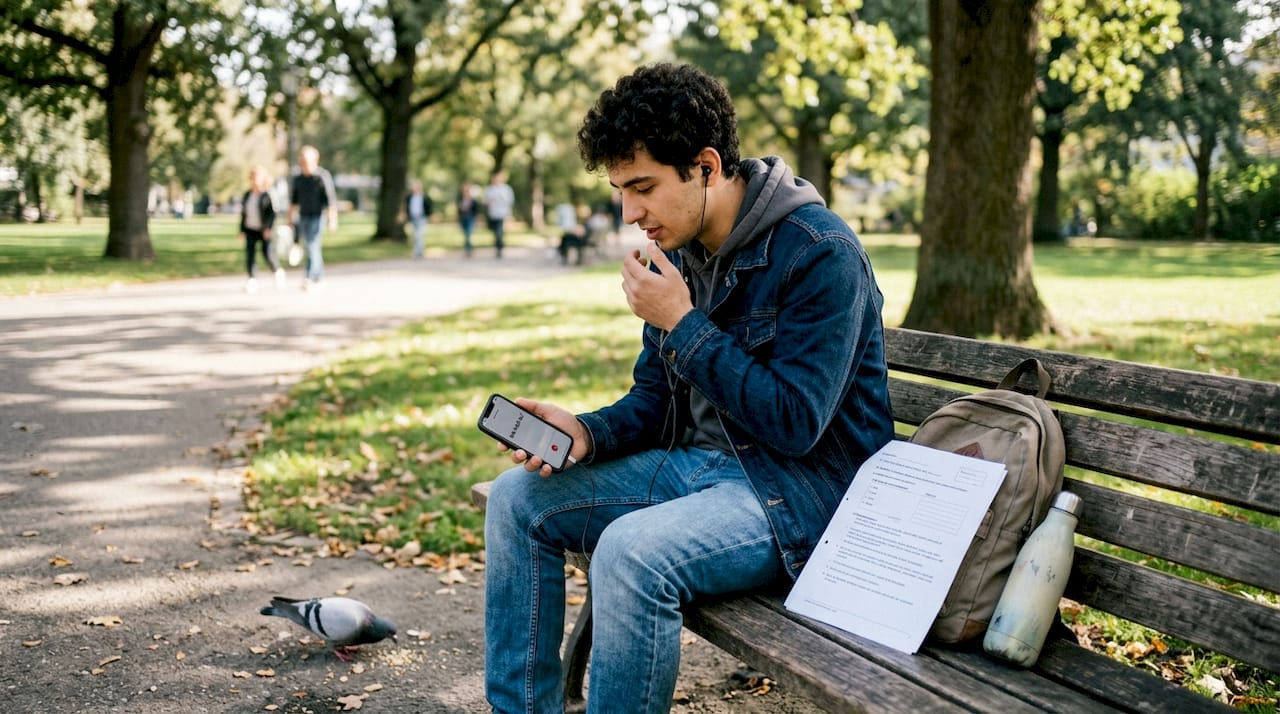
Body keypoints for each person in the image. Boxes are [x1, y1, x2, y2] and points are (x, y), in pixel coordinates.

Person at [482, 62, 895, 714]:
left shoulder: (820, 252)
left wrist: (682, 321)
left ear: (705, 165)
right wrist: (587, 431)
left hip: (796, 495)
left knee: (628, 554)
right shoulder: (678, 251)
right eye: (620, 190)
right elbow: (654, 400)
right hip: (692, 473)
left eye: (642, 187)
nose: (630, 213)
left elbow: (795, 423)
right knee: (515, 498)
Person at [289, 145, 338, 289]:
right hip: (303, 216)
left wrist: (332, 220)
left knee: (312, 245)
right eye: (302, 160)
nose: (303, 163)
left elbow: (330, 201)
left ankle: (309, 277)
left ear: (314, 160)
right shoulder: (298, 179)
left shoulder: (322, 177)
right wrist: (290, 219)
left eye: (306, 160)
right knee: (312, 246)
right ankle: (320, 277)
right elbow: (293, 201)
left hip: (318, 216)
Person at [237, 165, 285, 293]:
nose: (254, 180)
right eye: (253, 177)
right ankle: (252, 279)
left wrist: (268, 228)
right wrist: (241, 230)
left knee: (267, 253)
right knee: (250, 254)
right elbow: (243, 214)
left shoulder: (268, 195)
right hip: (250, 229)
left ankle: (277, 271)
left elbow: (272, 214)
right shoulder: (247, 195)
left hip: (264, 230)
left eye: (257, 177)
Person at [483, 169, 515, 259]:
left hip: (502, 213)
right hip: (493, 214)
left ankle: (499, 248)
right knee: (495, 231)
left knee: (499, 231)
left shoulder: (506, 189)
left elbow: (510, 201)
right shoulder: (490, 189)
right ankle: (498, 245)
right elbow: (485, 201)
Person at [406, 180, 433, 259]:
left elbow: (429, 206)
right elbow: (407, 207)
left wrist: (429, 215)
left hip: (422, 218)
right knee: (415, 236)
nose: (414, 188)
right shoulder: (410, 197)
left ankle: (416, 253)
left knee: (419, 235)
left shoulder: (424, 197)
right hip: (413, 218)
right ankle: (420, 252)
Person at [456, 181, 480, 257]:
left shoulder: (473, 200)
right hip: (463, 218)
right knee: (465, 234)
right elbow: (458, 210)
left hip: (470, 218)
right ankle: (469, 249)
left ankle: (468, 249)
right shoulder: (460, 199)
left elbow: (476, 210)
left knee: (468, 234)